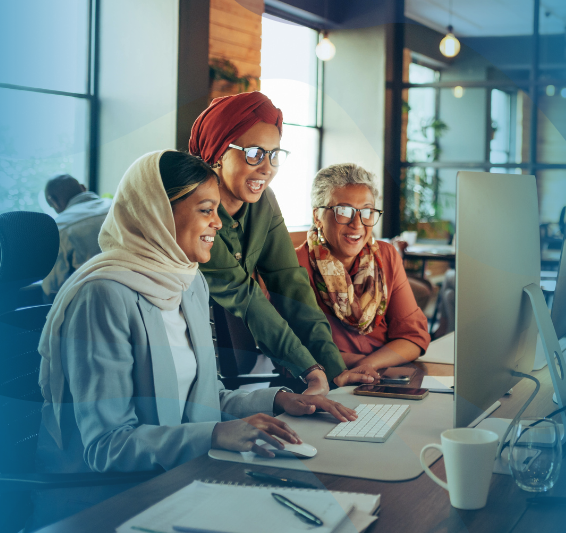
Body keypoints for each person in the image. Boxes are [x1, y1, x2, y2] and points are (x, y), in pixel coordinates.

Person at [31, 151, 366, 529]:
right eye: (206, 210)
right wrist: (218, 432)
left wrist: (277, 399)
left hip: (191, 478)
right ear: (157, 213)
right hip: (123, 500)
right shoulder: (105, 297)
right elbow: (107, 446)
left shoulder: (187, 282)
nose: (218, 224)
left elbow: (203, 397)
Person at [190, 91, 378, 395]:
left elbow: (291, 284)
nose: (267, 168)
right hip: (181, 352)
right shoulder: (194, 209)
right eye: (254, 153)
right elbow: (244, 295)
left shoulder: (264, 201)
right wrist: (310, 369)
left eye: (274, 155)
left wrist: (334, 369)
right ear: (217, 153)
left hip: (229, 368)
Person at [295, 163, 431, 371]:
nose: (357, 224)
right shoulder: (294, 266)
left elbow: (413, 337)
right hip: (320, 386)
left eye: (367, 212)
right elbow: (296, 353)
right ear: (318, 217)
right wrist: (362, 368)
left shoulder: (386, 256)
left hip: (381, 375)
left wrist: (367, 366)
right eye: (343, 211)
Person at [42, 174, 112, 301]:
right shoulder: (120, 206)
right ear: (83, 188)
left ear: (53, 201)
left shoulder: (60, 228)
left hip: (92, 306)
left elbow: (52, 288)